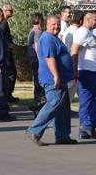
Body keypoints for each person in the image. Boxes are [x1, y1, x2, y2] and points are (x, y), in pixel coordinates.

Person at [26, 15, 76, 146]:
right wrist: (56, 75)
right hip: (52, 78)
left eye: (58, 24)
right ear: (47, 25)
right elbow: (50, 58)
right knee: (53, 104)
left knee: (63, 108)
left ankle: (62, 136)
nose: (56, 27)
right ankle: (34, 130)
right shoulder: (48, 38)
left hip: (61, 78)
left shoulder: (54, 38)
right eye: (53, 24)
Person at [71, 11, 96, 140]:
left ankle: (84, 131)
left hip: (91, 71)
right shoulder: (82, 32)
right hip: (90, 72)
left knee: (86, 101)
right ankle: (88, 125)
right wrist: (74, 70)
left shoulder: (89, 33)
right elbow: (74, 50)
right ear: (87, 20)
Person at [62, 10, 83, 104]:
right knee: (72, 90)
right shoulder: (77, 33)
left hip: (67, 63)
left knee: (76, 90)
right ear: (81, 21)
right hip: (75, 65)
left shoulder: (67, 30)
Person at [0, 4, 18, 102]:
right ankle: (7, 94)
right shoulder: (3, 22)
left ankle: (8, 94)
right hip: (5, 53)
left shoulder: (3, 22)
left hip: (5, 51)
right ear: (4, 11)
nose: (12, 12)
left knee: (10, 73)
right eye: (10, 10)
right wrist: (8, 45)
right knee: (11, 73)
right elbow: (0, 36)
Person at [27, 13, 45, 114]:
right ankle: (37, 105)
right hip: (37, 60)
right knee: (39, 83)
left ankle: (36, 104)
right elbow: (37, 46)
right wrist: (42, 60)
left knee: (36, 82)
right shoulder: (38, 32)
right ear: (40, 20)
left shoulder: (31, 31)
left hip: (32, 59)